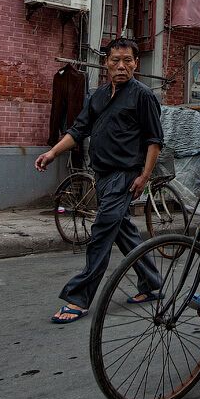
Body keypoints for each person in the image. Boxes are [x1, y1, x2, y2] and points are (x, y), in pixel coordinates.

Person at [35, 38, 164, 324]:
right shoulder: (98, 96)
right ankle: (152, 282)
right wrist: (53, 153)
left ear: (135, 64)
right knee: (124, 232)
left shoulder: (143, 96)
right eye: (116, 60)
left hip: (126, 176)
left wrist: (144, 175)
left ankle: (79, 297)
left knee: (101, 235)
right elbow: (79, 130)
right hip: (102, 175)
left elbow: (154, 141)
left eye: (127, 61)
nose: (121, 66)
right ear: (106, 63)